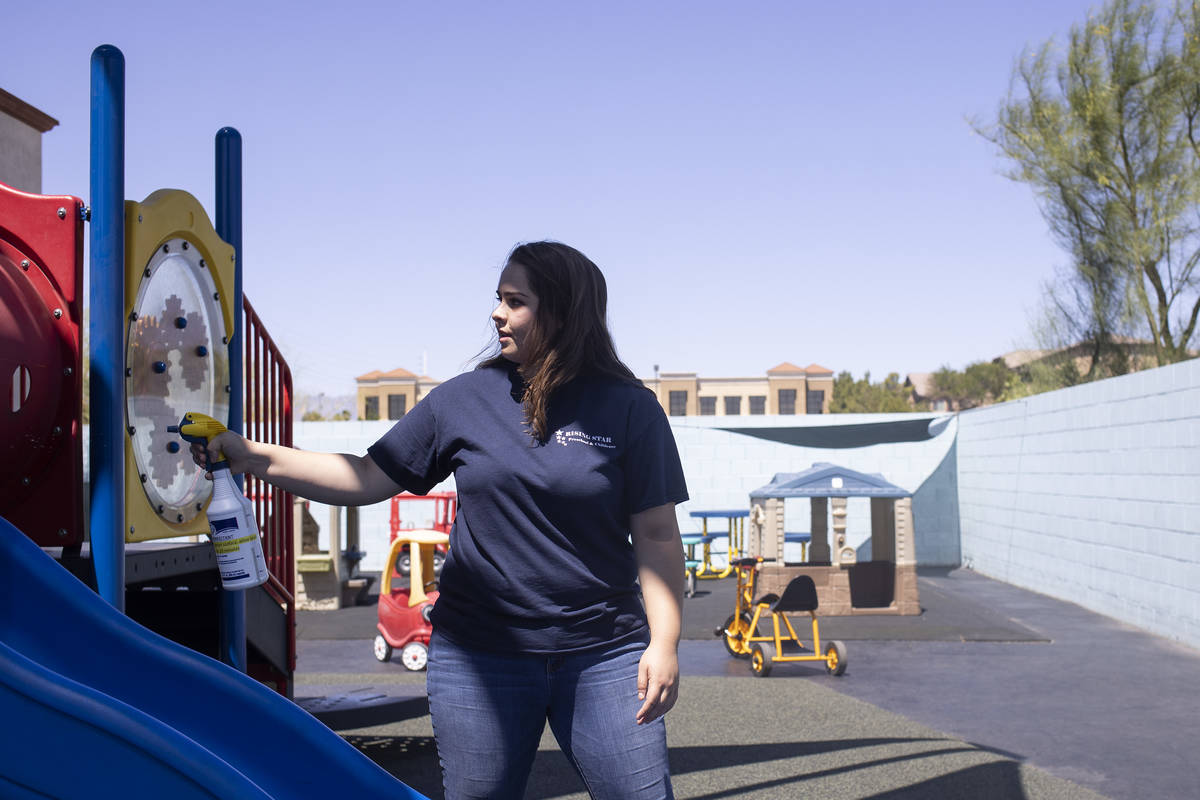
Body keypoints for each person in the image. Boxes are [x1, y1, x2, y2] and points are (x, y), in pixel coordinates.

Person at [191, 241, 687, 799]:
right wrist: (252, 456)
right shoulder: (462, 401)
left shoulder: (629, 408)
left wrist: (664, 641)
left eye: (515, 301)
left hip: (604, 654)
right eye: (497, 299)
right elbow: (366, 477)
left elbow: (657, 535)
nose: (496, 313)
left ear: (563, 313)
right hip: (481, 655)